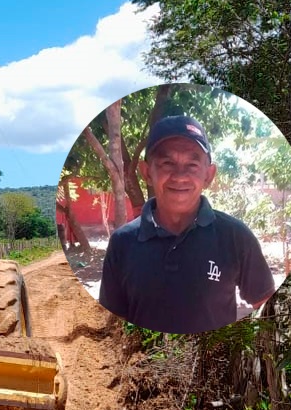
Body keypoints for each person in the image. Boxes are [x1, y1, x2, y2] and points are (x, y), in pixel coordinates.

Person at [98, 114, 275, 334]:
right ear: (147, 172)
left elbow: (268, 307)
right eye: (167, 163)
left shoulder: (236, 237)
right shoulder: (122, 243)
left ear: (208, 175)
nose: (179, 176)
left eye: (192, 164)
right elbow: (113, 326)